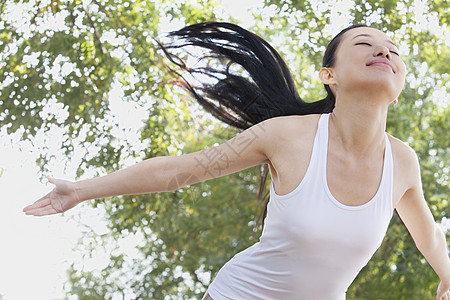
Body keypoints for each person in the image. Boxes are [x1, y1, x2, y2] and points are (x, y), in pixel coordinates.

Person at [23, 22, 449, 300]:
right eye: (365, 44)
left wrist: (447, 275)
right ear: (329, 75)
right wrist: (79, 190)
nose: (385, 52)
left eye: (393, 50)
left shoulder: (402, 162)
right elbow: (178, 171)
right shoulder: (287, 136)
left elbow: (427, 234)